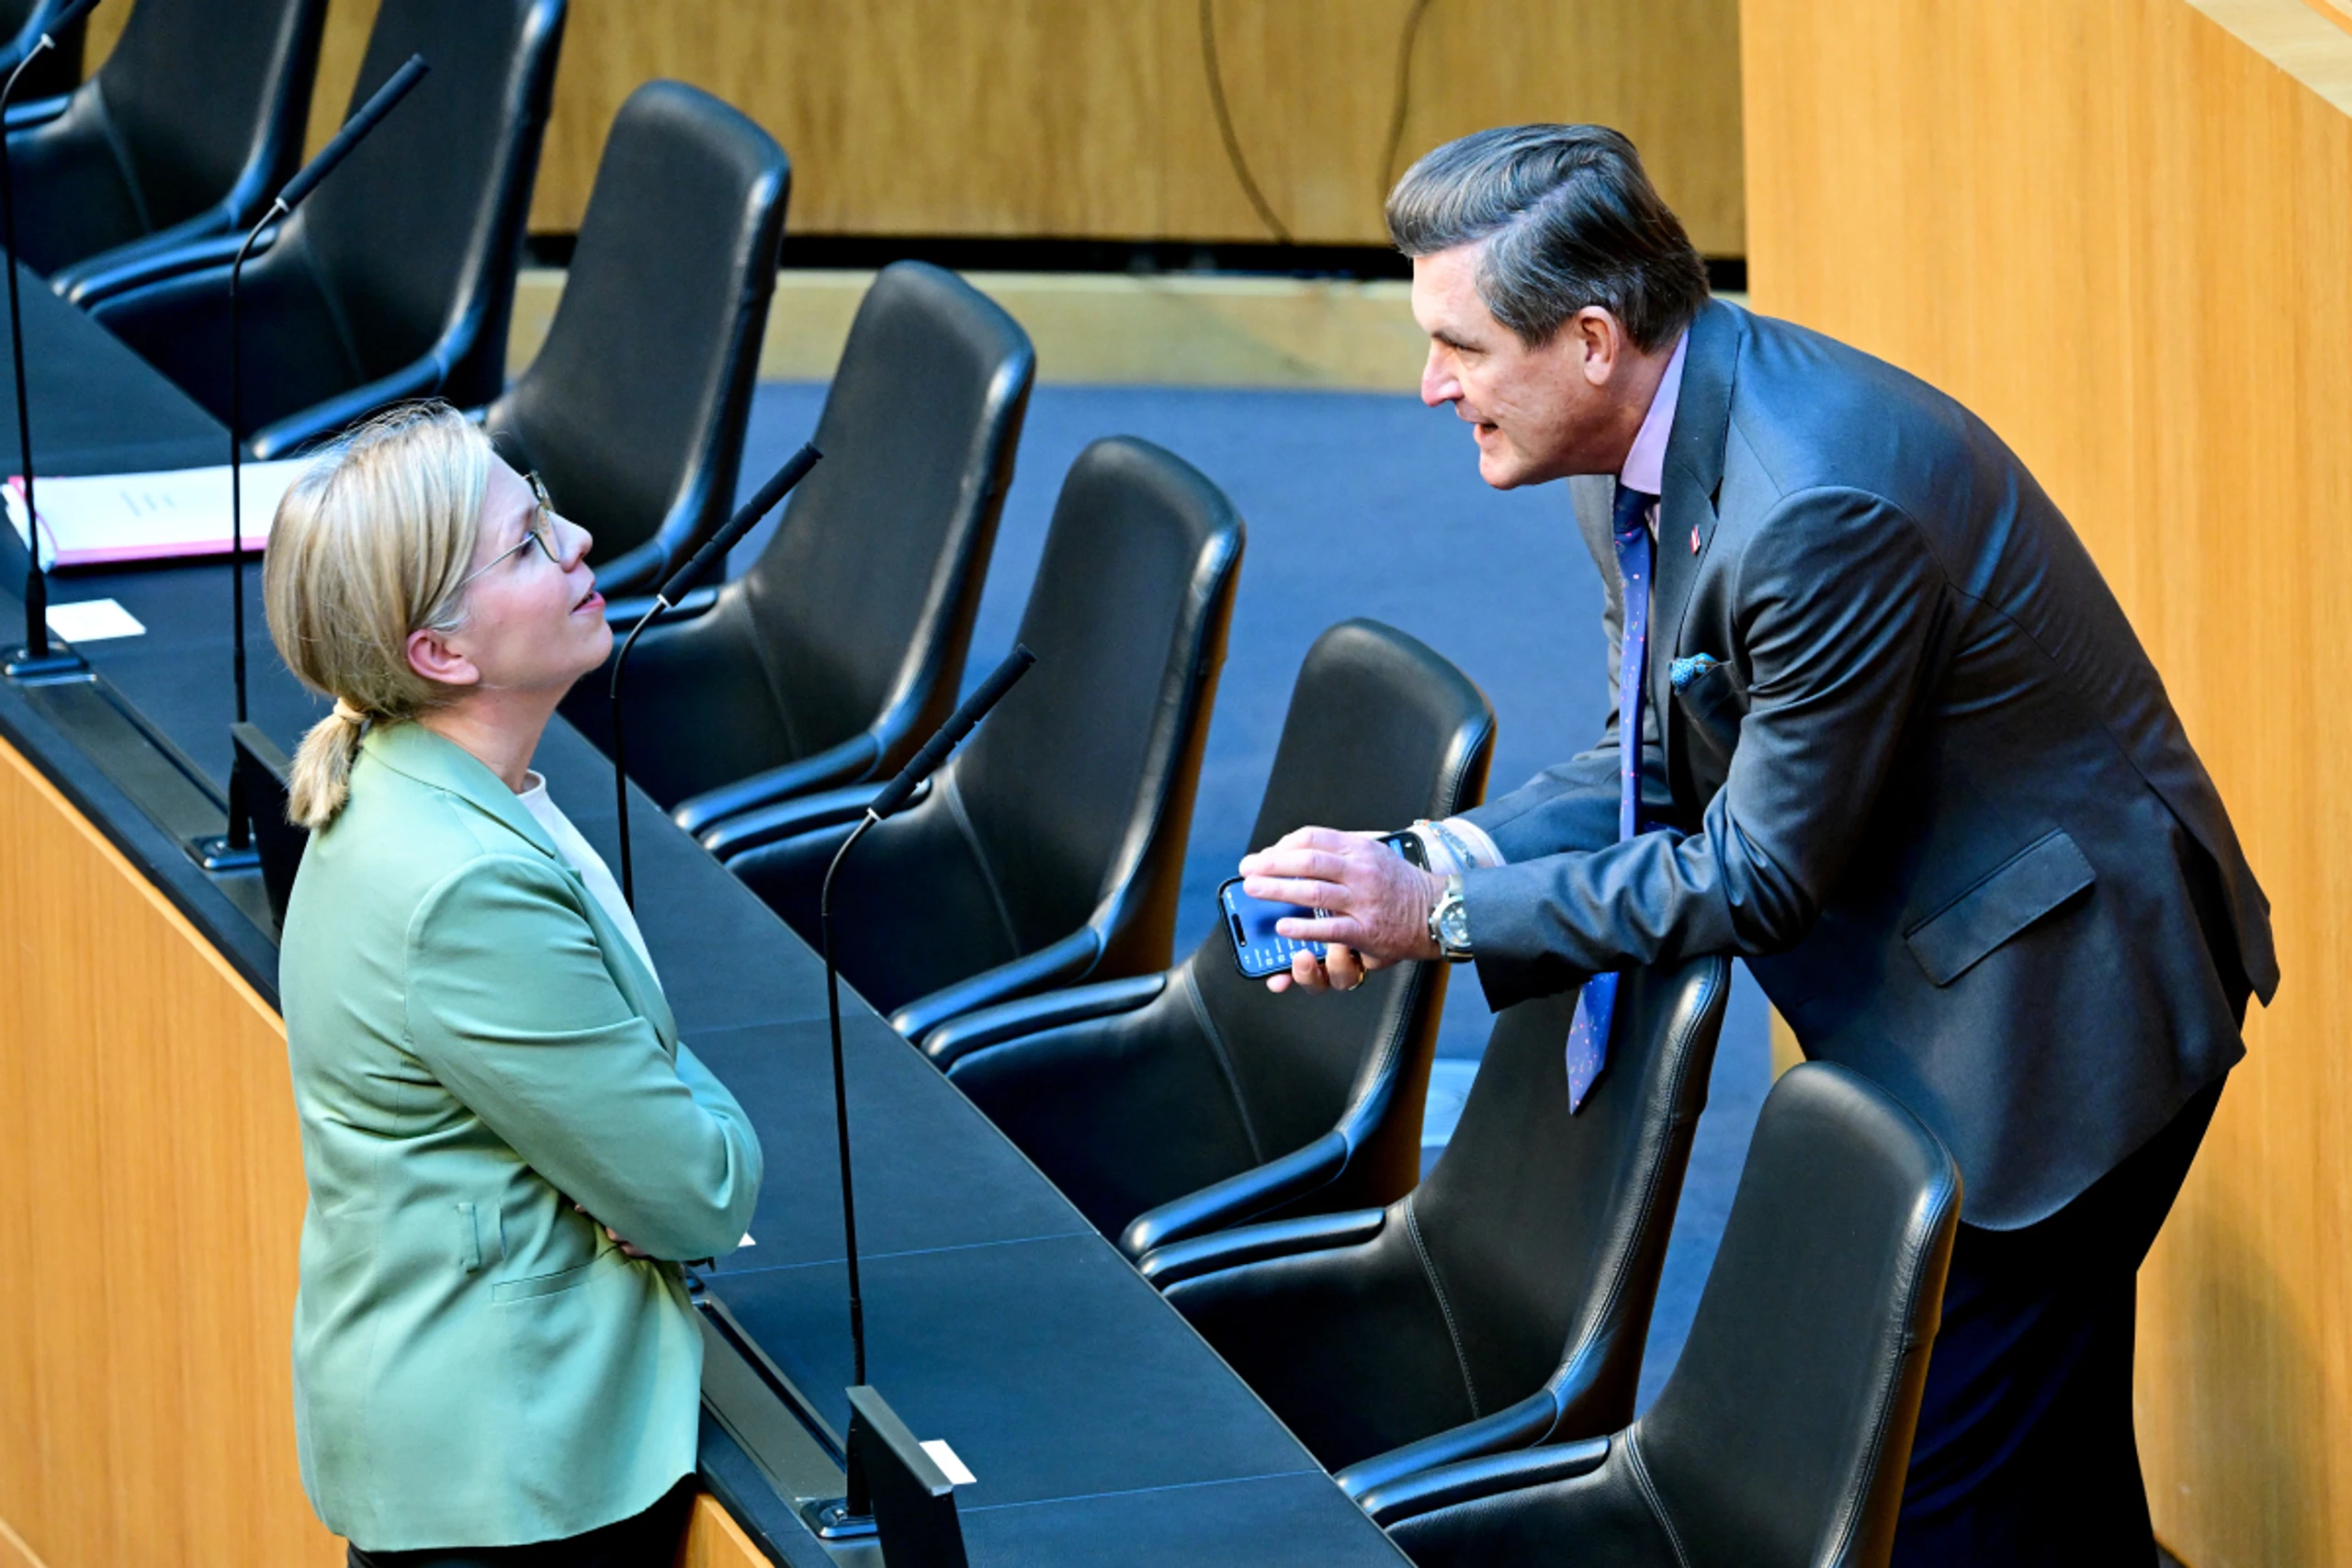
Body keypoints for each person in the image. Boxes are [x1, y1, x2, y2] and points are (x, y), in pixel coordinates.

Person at [1238, 125, 2275, 1563]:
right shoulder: (1631, 446)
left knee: (1936, 1504)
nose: (1433, 385)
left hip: (2060, 1020)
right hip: (1936, 991)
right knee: (2039, 1488)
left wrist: (1442, 916)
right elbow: (1649, 759)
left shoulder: (1815, 506)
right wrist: (1426, 857)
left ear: (1591, 339)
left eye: (1459, 345)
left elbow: (1759, 871)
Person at [265, 403, 764, 1565]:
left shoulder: (415, 784)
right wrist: (688, 1122)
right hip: (515, 1475)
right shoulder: (464, 886)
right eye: (531, 543)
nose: (581, 538)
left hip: (461, 1443)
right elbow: (697, 1191)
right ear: (441, 653)